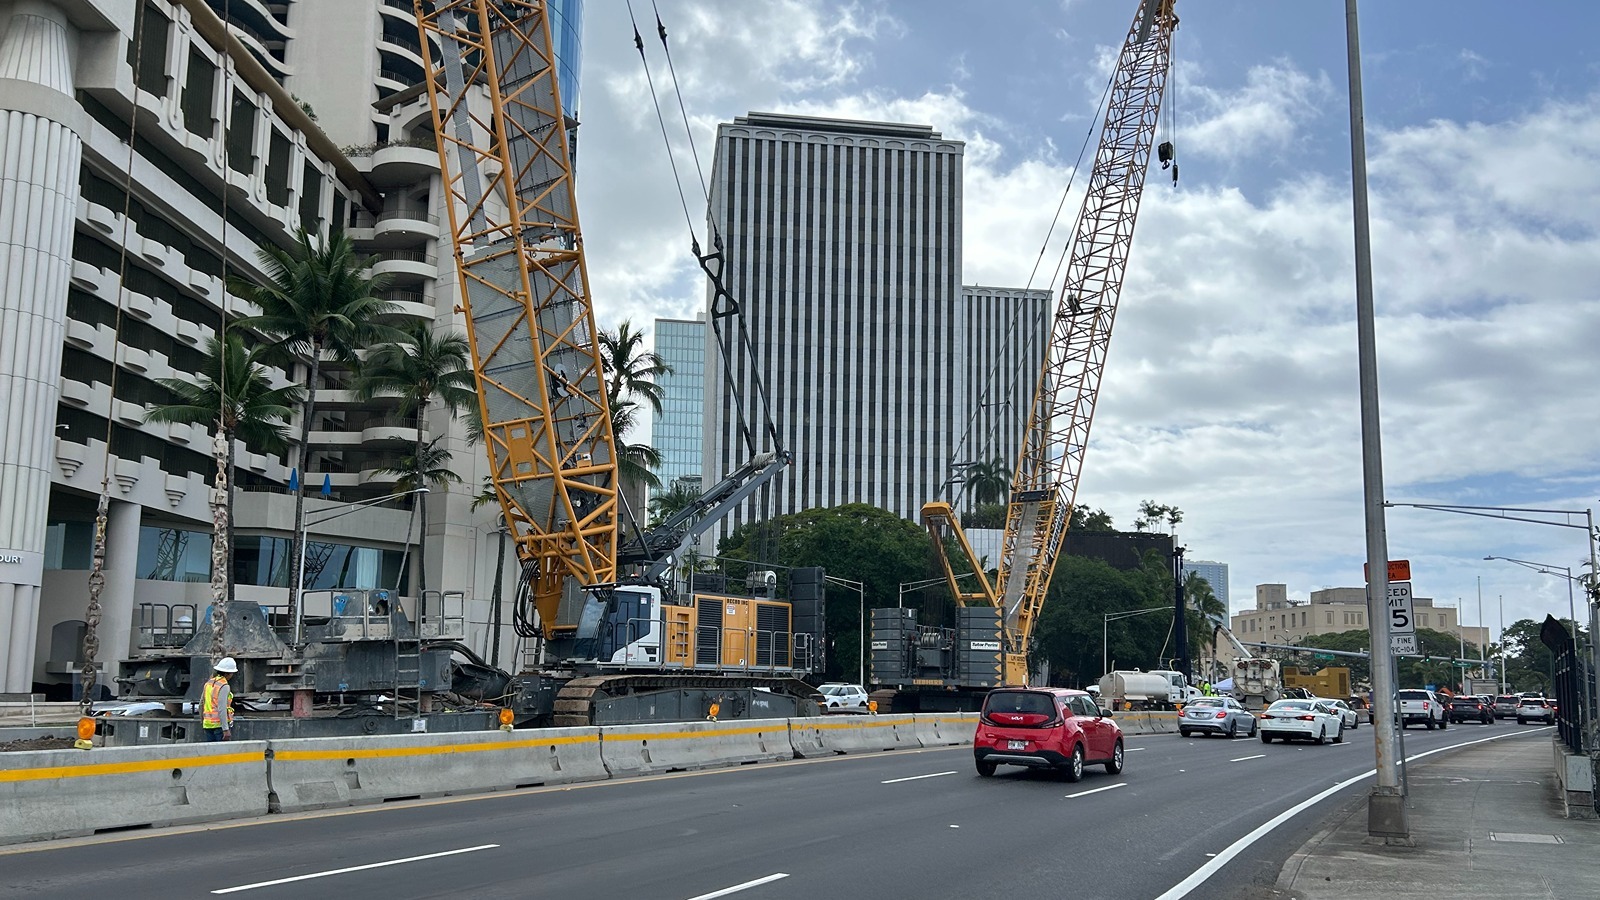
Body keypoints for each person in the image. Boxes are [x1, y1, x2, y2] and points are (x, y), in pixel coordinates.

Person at [202, 657, 237, 741]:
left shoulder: (209, 683)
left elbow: (202, 703)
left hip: (207, 725)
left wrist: (202, 721)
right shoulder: (224, 686)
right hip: (219, 726)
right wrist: (225, 729)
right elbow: (222, 709)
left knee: (211, 753)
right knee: (223, 753)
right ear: (228, 673)